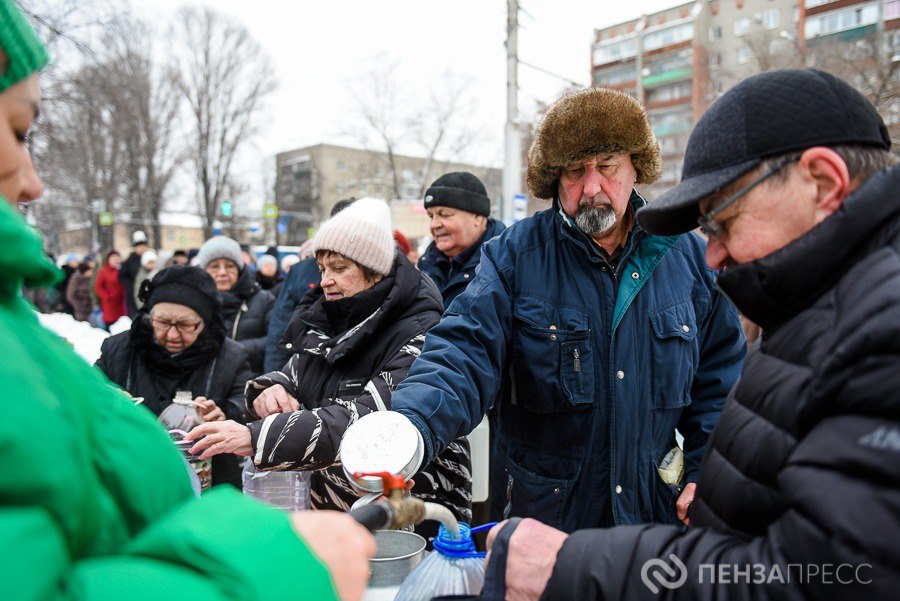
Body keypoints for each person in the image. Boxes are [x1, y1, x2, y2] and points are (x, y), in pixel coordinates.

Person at [0, 3, 373, 599]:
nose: (33, 182)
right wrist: (271, 570)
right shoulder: (111, 353)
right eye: (19, 132)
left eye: (188, 326)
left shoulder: (230, 355)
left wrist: (233, 415)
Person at [483, 69, 900, 600]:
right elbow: (464, 348)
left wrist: (571, 565)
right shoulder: (821, 308)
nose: (714, 255)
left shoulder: (879, 336)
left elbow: (822, 575)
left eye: (722, 222)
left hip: (637, 534)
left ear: (822, 183)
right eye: (573, 171)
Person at [372, 87, 747, 533]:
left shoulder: (685, 258)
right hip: (547, 524)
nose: (591, 187)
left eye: (607, 165)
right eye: (574, 170)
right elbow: (463, 350)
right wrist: (412, 424)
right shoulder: (514, 256)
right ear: (554, 177)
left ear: (636, 167)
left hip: (653, 521)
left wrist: (707, 470)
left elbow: (722, 383)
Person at [186, 198, 473, 538]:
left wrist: (255, 436)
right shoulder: (332, 318)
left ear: (375, 271)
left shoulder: (421, 333)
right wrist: (270, 389)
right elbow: (294, 373)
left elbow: (368, 423)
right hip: (337, 515)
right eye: (322, 269)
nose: (325, 281)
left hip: (411, 520)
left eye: (338, 268)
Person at [96, 266, 251, 488]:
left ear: (204, 323)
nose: (172, 334)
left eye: (185, 325)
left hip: (209, 483)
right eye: (162, 322)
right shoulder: (118, 350)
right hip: (132, 479)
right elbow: (87, 392)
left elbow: (246, 401)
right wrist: (104, 396)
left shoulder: (230, 357)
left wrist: (225, 411)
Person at [263, 198, 356, 372]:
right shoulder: (301, 271)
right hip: (309, 368)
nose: (327, 280)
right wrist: (274, 376)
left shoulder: (382, 271)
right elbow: (282, 326)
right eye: (323, 269)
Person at [417, 171, 506, 309]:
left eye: (444, 214)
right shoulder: (425, 267)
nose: (434, 224)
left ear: (478, 217)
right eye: (431, 216)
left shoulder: (507, 266)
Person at [197, 236, 275, 375]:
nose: (222, 272)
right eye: (214, 266)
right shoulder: (193, 301)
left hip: (250, 378)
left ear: (239, 269)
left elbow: (275, 340)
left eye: (229, 266)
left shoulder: (264, 299)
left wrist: (234, 351)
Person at [118, 230, 148, 317]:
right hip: (133, 294)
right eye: (139, 246)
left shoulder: (149, 257)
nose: (142, 248)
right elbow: (122, 276)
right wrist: (132, 286)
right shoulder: (131, 260)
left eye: (143, 245)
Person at [94, 249, 125, 328]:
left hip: (123, 302)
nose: (115, 260)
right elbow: (98, 286)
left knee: (123, 323)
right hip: (111, 303)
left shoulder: (123, 269)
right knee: (112, 323)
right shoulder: (104, 271)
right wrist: (107, 296)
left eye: (117, 257)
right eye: (113, 258)